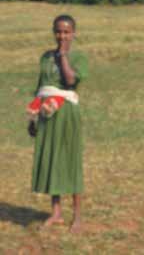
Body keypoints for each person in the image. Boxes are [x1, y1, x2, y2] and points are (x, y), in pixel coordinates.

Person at [30, 15, 88, 233]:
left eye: (66, 32)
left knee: (70, 159)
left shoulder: (78, 57)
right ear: (53, 32)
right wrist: (33, 116)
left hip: (66, 113)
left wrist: (63, 56)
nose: (62, 36)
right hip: (47, 113)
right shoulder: (45, 57)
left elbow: (70, 81)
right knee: (52, 158)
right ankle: (56, 212)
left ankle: (78, 216)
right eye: (58, 31)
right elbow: (41, 86)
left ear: (74, 33)